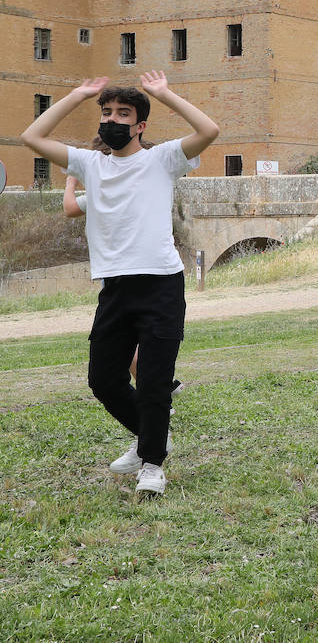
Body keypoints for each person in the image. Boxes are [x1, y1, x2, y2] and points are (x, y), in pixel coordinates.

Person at [21, 72, 219, 497]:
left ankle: (152, 464)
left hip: (161, 284)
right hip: (115, 287)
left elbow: (209, 130)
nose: (112, 119)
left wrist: (165, 94)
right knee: (103, 379)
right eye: (107, 112)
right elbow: (32, 136)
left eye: (122, 114)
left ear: (141, 125)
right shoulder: (90, 164)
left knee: (152, 379)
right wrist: (77, 94)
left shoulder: (162, 159)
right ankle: (154, 437)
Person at [64, 152, 186, 402]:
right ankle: (157, 390)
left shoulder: (104, 192)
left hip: (122, 275)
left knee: (125, 343)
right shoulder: (138, 185)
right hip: (141, 275)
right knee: (132, 343)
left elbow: (70, 208)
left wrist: (70, 182)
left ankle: (155, 393)